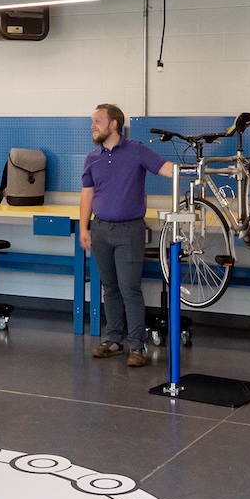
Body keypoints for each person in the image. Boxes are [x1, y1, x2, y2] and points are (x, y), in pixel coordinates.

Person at [78, 103, 176, 367]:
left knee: (130, 290)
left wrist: (189, 172)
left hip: (129, 230)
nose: (93, 125)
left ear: (114, 124)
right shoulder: (92, 158)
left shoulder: (136, 150)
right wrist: (84, 227)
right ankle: (113, 340)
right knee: (109, 289)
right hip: (100, 229)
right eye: (92, 121)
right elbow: (87, 194)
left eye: (98, 120)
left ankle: (136, 346)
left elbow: (166, 168)